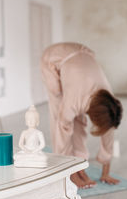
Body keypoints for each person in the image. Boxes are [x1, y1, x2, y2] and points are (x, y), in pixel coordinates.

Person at [41, 42, 122, 188]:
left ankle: (79, 165)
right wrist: (69, 173)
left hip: (80, 55)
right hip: (53, 58)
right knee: (59, 111)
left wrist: (106, 172)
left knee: (79, 120)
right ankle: (68, 171)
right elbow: (62, 132)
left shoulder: (109, 100)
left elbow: (108, 131)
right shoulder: (75, 100)